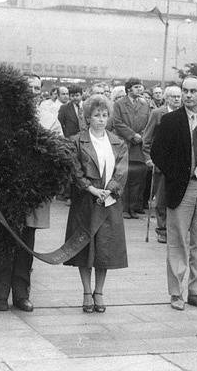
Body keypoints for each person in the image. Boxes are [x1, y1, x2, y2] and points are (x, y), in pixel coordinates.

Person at [0, 73, 61, 313]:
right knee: (4, 242)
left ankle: (21, 294)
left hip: (34, 192)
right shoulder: (3, 117)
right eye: (28, 87)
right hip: (8, 190)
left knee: (26, 245)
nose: (32, 91)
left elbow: (59, 152)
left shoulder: (50, 118)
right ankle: (0, 294)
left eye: (36, 87)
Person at [151, 76, 197, 311]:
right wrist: (175, 173)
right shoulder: (170, 120)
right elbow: (157, 152)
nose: (188, 95)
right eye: (185, 91)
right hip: (182, 187)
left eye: (193, 91)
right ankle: (176, 293)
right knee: (178, 240)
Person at [65, 94, 128, 313]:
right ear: (88, 117)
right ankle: (85, 291)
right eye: (96, 115)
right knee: (85, 247)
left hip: (109, 201)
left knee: (105, 248)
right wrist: (91, 189)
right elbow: (75, 170)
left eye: (104, 115)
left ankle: (99, 291)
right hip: (86, 200)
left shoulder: (118, 142)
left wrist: (109, 188)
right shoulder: (76, 141)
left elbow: (122, 169)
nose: (101, 119)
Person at [142, 85, 182, 243]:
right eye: (173, 96)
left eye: (179, 96)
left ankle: (175, 229)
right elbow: (147, 139)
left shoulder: (184, 113)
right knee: (162, 199)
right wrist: (148, 158)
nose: (177, 99)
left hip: (179, 162)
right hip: (162, 163)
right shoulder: (158, 113)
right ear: (166, 98)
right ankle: (162, 229)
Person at [112, 78, 151, 219]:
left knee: (137, 179)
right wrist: (132, 135)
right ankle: (123, 208)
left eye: (140, 87)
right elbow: (117, 123)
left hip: (138, 147)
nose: (140, 89)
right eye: (136, 87)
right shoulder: (119, 104)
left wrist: (141, 136)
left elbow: (148, 123)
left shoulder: (145, 104)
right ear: (128, 89)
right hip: (124, 145)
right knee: (124, 178)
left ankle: (133, 208)